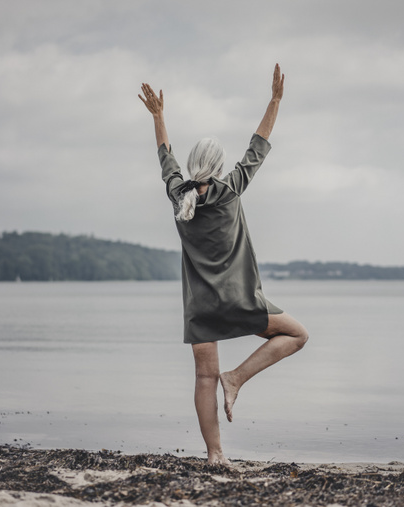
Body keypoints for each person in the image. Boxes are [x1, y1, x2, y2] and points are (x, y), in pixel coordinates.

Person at [139, 64, 308, 465]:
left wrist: (159, 117)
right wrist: (275, 100)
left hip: (200, 309)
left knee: (202, 379)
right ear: (217, 167)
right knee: (298, 336)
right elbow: (259, 145)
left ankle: (216, 455)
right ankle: (237, 378)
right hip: (240, 299)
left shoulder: (178, 196)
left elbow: (166, 158)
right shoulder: (231, 189)